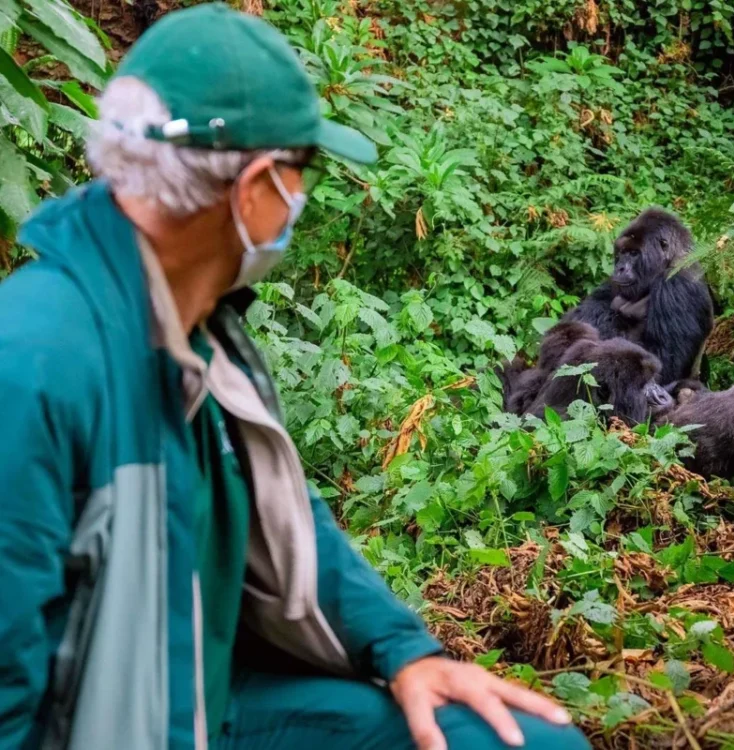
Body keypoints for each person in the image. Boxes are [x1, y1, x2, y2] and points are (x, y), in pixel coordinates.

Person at [0, 5, 591, 750]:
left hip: (211, 694)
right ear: (253, 190)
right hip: (124, 721)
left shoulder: (202, 324)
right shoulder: (31, 365)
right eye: (300, 175)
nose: (300, 202)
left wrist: (404, 650)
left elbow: (283, 515)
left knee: (526, 744)